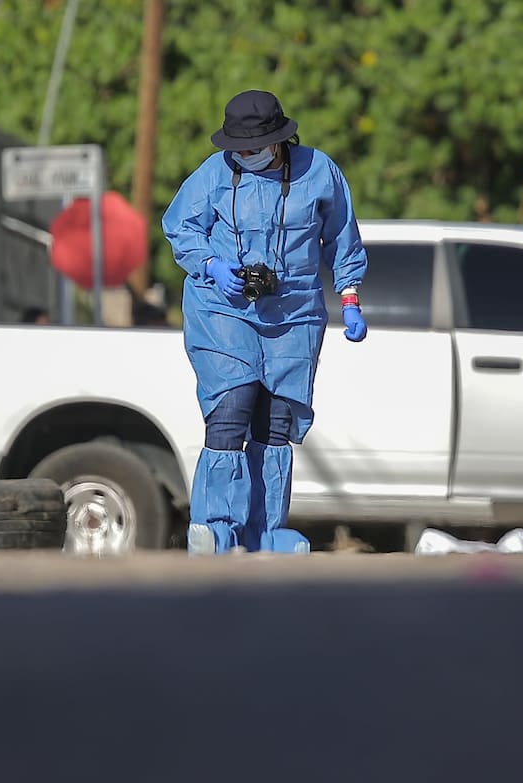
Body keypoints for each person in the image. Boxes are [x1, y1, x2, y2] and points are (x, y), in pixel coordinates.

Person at [162, 89, 369, 555]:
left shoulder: (320, 172)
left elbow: (342, 237)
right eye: (237, 148)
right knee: (231, 407)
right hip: (222, 310)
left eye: (252, 147)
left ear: (278, 141)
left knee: (276, 420)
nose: (243, 155)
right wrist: (212, 265)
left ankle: (266, 529)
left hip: (294, 314)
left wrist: (350, 298)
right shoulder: (214, 173)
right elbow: (180, 226)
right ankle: (214, 526)